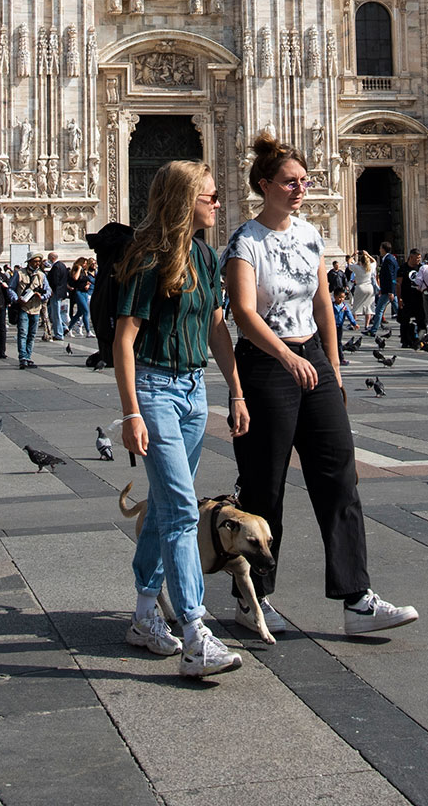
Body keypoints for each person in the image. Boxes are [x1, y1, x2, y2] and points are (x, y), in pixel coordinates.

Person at [224, 133, 419, 640]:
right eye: (290, 182)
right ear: (264, 185)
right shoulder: (245, 241)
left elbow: (321, 305)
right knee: (265, 486)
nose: (300, 189)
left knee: (338, 476)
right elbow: (243, 313)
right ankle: (254, 598)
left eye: (304, 181)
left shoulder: (311, 235)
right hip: (267, 363)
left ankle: (357, 598)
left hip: (311, 360)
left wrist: (332, 365)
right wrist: (285, 355)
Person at [115, 158, 248, 679]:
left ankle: (146, 614)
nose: (219, 202)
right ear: (182, 200)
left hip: (194, 391)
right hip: (153, 387)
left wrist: (235, 390)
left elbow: (217, 328)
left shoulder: (206, 257)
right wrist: (131, 412)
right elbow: (124, 338)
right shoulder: (149, 257)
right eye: (209, 196)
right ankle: (195, 630)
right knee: (182, 512)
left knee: (169, 505)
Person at [10, 255, 47, 368]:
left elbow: (48, 290)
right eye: (35, 261)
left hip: (36, 308)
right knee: (22, 333)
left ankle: (28, 356)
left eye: (38, 262)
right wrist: (16, 299)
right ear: (29, 262)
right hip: (23, 307)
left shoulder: (41, 275)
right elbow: (11, 288)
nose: (37, 263)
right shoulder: (20, 273)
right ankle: (23, 357)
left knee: (32, 334)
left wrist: (42, 296)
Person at [46, 252, 71, 341]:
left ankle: (59, 334)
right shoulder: (62, 265)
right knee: (54, 313)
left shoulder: (56, 267)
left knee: (55, 314)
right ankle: (63, 327)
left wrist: (51, 289)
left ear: (52, 258)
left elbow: (55, 281)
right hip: (61, 292)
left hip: (56, 292)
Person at [350, 251, 377, 332]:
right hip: (369, 287)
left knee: (356, 306)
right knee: (368, 307)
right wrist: (367, 254)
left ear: (360, 262)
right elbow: (374, 261)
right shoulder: (370, 267)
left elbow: (349, 263)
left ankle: (354, 324)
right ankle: (367, 325)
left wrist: (353, 255)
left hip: (360, 287)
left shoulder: (357, 268)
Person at [376, 242, 399, 331]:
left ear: (384, 249)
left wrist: (391, 291)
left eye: (380, 248)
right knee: (397, 309)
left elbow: (391, 276)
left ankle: (374, 330)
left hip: (388, 290)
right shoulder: (390, 258)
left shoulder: (388, 259)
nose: (379, 250)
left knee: (379, 310)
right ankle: (406, 324)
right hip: (388, 290)